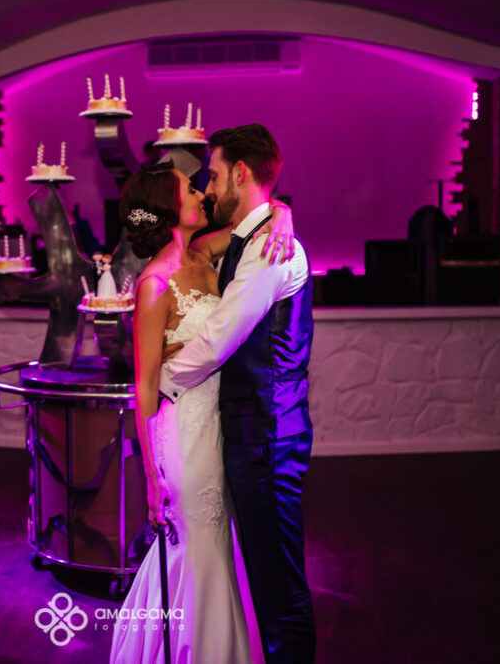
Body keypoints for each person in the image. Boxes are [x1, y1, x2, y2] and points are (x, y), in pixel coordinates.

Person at [109, 158, 292, 664]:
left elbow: (257, 217)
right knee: (195, 545)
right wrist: (151, 475)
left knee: (218, 546)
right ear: (168, 207)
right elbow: (145, 386)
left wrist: (283, 215)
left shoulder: (204, 251)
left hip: (220, 428)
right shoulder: (153, 284)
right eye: (188, 189)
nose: (200, 194)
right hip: (184, 436)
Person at [158, 124, 315, 664]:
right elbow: (199, 245)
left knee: (279, 588)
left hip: (267, 435)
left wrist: (159, 383)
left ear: (240, 173)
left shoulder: (272, 246)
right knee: (262, 579)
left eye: (215, 175)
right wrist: (281, 208)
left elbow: (220, 338)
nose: (209, 187)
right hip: (251, 433)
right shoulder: (249, 237)